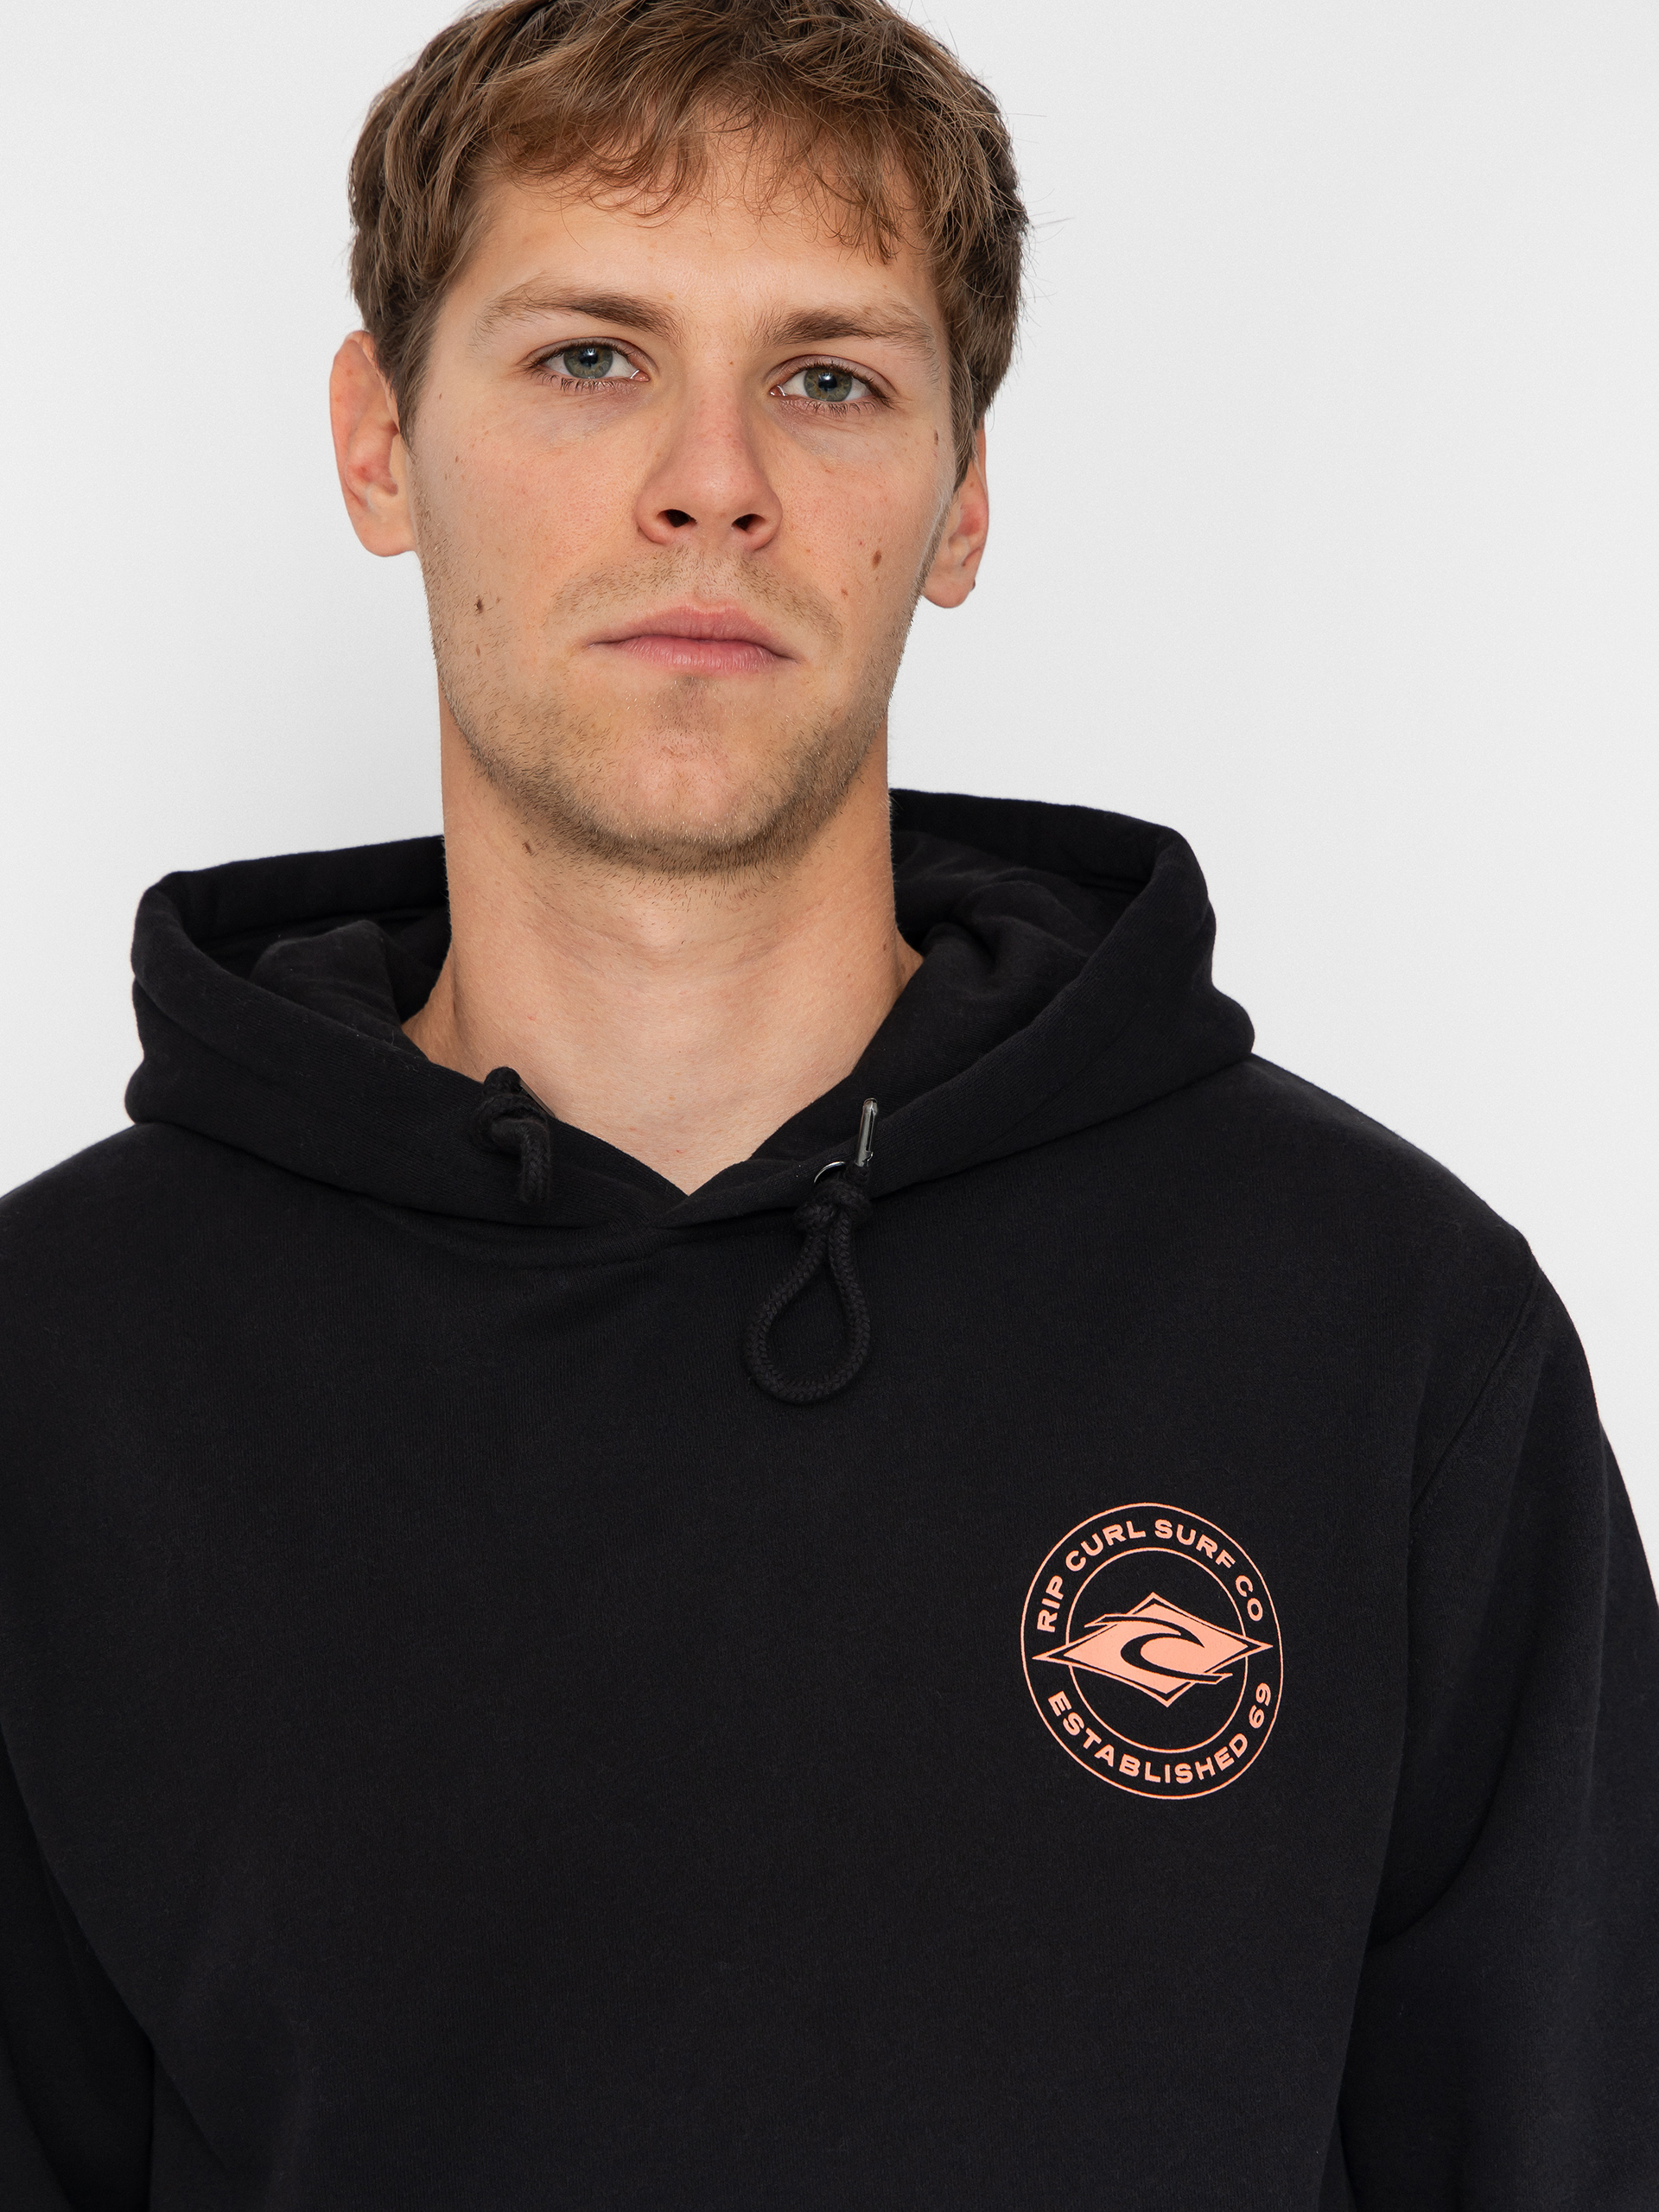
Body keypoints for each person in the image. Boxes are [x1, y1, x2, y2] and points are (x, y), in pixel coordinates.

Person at [0, 0, 1653, 2203]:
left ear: (960, 499)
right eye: (591, 355)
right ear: (379, 443)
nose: (714, 480)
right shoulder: (61, 1370)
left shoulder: (1383, 1333)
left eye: (831, 378)